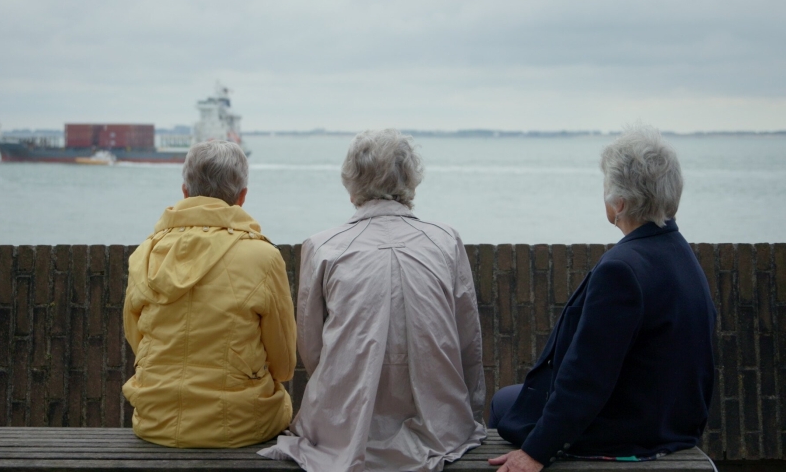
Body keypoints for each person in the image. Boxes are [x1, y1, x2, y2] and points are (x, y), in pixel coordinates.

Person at [487, 124, 716, 471]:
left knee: (505, 403)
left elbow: (586, 376)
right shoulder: (679, 252)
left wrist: (535, 453)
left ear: (619, 203)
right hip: (673, 423)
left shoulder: (621, 270)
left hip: (628, 432)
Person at [258, 129, 486, 471]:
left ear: (351, 182)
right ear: (411, 180)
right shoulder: (445, 241)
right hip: (441, 426)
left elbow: (311, 347)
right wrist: (466, 409)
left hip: (343, 426)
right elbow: (468, 340)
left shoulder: (323, 247)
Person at [122, 140, 297, 448]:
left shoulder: (144, 255)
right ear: (241, 197)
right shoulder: (263, 258)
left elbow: (138, 342)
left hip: (155, 422)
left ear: (185, 191)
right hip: (242, 426)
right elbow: (283, 365)